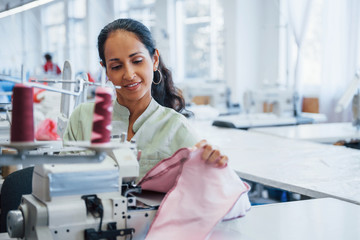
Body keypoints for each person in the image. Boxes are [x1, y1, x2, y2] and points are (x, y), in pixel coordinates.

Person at [63, 18, 228, 180]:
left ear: (154, 60)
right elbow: (62, 178)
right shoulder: (82, 119)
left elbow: (208, 184)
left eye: (137, 61)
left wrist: (212, 161)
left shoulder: (176, 128)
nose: (129, 74)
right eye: (116, 67)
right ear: (106, 71)